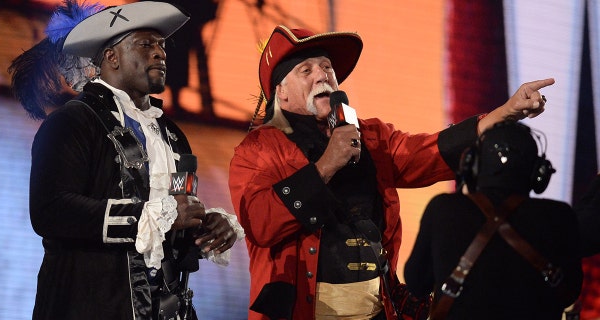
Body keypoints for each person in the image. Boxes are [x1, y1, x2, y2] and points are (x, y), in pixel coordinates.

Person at [228, 25, 554, 320]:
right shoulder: (258, 150)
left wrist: (505, 113)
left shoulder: (371, 136)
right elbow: (260, 224)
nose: (323, 75)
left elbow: (430, 152)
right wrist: (326, 165)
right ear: (281, 92)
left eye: (327, 67)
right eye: (306, 69)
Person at [8, 1, 243, 319]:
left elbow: (178, 206)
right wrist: (150, 216)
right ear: (111, 57)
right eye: (146, 44)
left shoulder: (172, 136)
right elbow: (50, 210)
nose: (160, 53)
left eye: (161, 45)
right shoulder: (72, 122)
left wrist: (206, 227)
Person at [404, 121, 583, 319]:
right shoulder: (560, 217)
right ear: (538, 173)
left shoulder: (442, 208)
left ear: (472, 165)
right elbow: (569, 294)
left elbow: (416, 283)